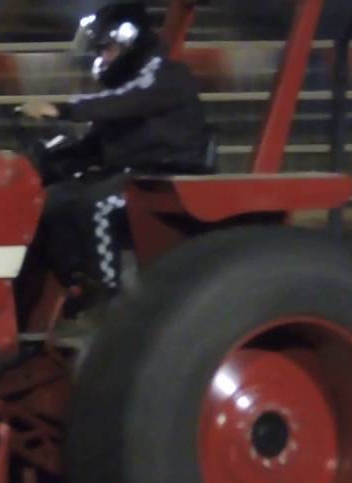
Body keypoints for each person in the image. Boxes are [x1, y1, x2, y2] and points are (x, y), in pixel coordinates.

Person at [18, 2, 211, 296]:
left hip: (166, 172)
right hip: (131, 173)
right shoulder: (121, 91)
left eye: (108, 49)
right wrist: (50, 161)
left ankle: (107, 293)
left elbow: (127, 101)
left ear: (130, 42)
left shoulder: (164, 74)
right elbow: (98, 141)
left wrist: (63, 109)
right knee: (54, 199)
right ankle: (71, 285)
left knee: (96, 203)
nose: (102, 58)